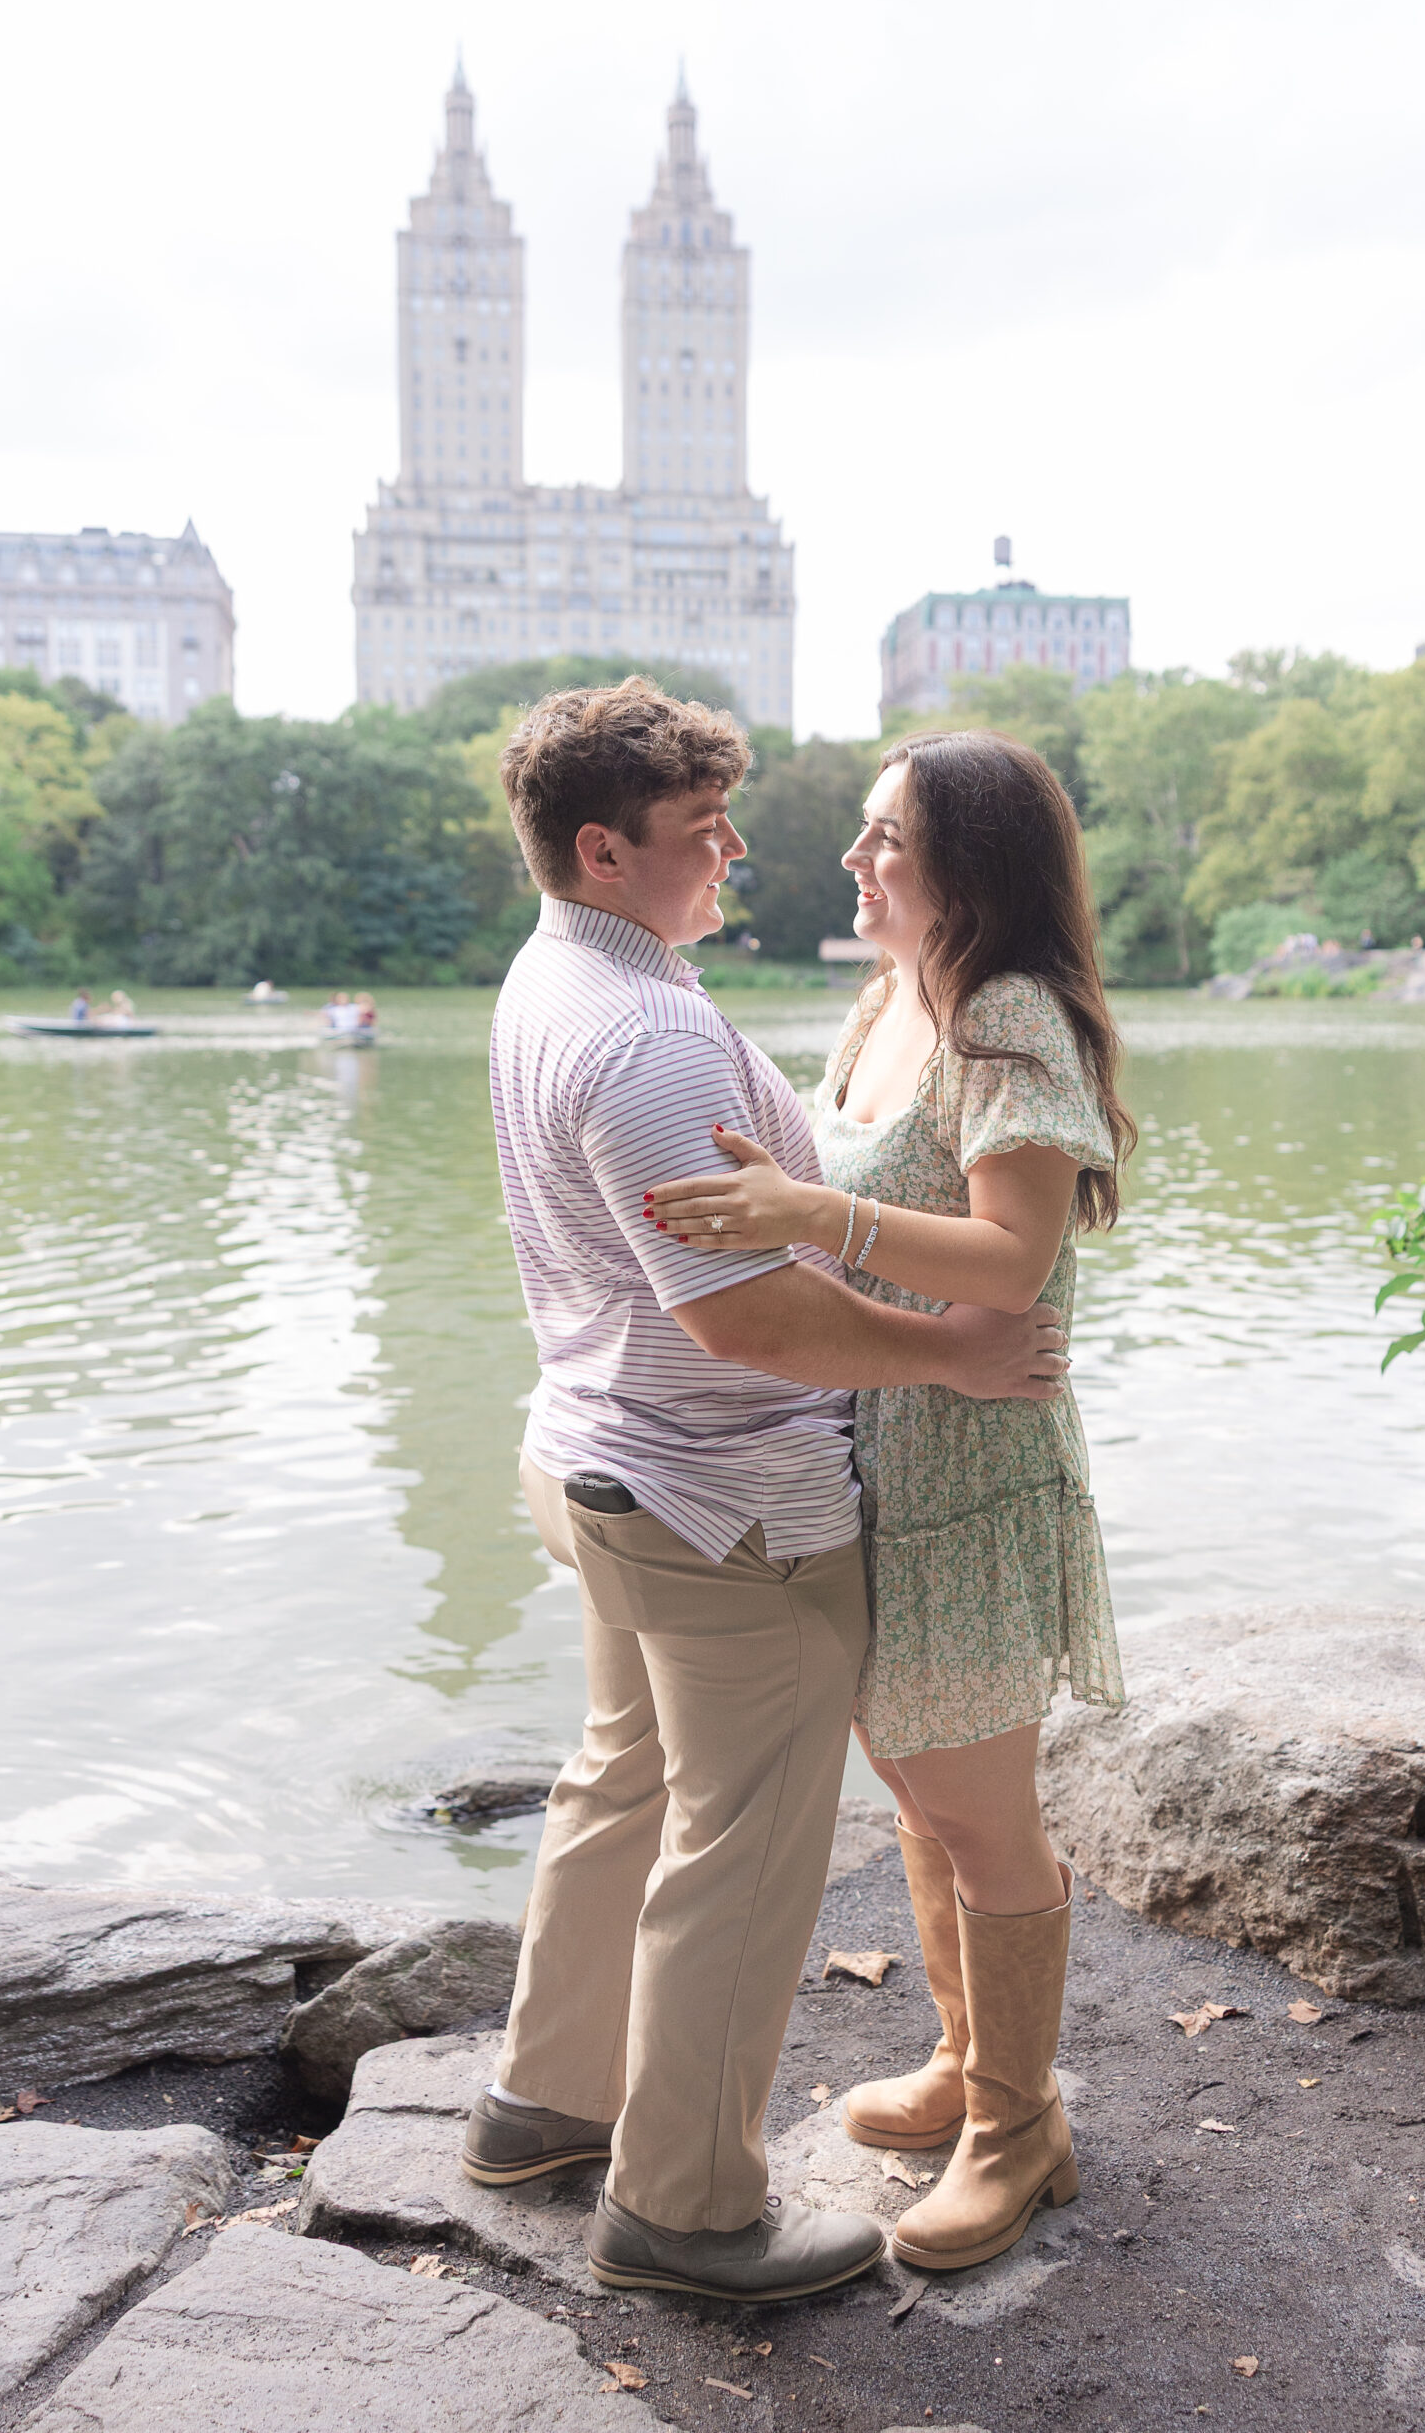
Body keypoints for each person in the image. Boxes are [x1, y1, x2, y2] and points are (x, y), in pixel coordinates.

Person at [463, 680, 1067, 2306]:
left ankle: (545, 2103)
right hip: (721, 1503)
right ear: (603, 849)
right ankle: (685, 2210)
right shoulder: (650, 1031)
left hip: (603, 1458)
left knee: (621, 1786)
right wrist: (943, 1360)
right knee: (736, 1858)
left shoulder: (554, 974)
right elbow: (742, 1313)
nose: (742, 845)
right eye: (698, 828)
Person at [646, 730, 1136, 2272]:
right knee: (919, 1782)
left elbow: (1012, 1261)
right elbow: (843, 1205)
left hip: (972, 1470)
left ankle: (1019, 2125)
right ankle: (961, 2056)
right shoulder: (891, 1005)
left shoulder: (1009, 1020)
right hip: (867, 1446)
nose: (854, 864)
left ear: (968, 868)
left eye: (886, 842)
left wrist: (808, 1210)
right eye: (862, 838)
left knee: (983, 1811)